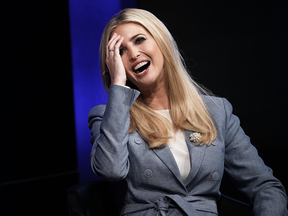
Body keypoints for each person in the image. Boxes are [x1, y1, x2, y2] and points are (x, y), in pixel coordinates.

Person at [88, 8, 287, 216]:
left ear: (161, 41)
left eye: (139, 40)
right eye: (120, 51)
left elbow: (265, 187)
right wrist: (118, 84)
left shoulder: (217, 111)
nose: (133, 54)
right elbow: (111, 170)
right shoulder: (106, 116)